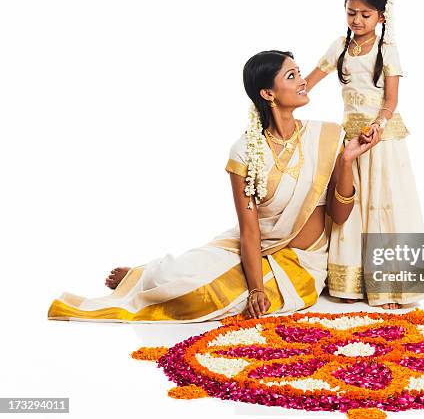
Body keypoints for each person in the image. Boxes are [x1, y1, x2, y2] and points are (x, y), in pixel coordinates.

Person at [47, 50, 380, 323]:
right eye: (291, 76)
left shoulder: (328, 136)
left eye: (299, 72)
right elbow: (250, 232)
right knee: (181, 279)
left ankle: (147, 276)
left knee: (201, 299)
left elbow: (338, 216)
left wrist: (346, 161)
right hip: (252, 247)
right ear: (268, 93)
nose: (303, 81)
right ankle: (146, 275)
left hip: (301, 262)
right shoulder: (246, 151)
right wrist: (254, 289)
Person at [305, 0, 424, 309]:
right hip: (351, 139)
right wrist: (280, 95)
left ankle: (388, 288)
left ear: (382, 17)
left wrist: (378, 124)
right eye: (351, 13)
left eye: (365, 15)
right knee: (351, 204)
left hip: (381, 139)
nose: (357, 21)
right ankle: (351, 283)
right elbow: (310, 82)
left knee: (382, 203)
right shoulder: (340, 47)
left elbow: (391, 100)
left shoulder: (386, 51)